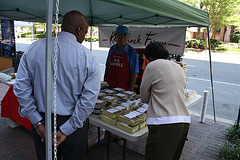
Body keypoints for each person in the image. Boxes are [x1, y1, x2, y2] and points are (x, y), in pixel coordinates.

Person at [14, 10, 101, 160]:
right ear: (79, 30)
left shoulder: (35, 48)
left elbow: (21, 88)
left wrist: (37, 122)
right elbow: (88, 101)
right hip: (73, 123)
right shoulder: (88, 58)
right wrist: (68, 129)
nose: (84, 38)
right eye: (85, 33)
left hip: (43, 119)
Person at [140, 42, 190, 160]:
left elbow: (144, 98)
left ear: (150, 57)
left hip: (163, 123)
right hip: (184, 122)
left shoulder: (152, 66)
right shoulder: (178, 67)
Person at [104, 25, 139, 91]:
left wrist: (131, 89)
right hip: (110, 87)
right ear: (116, 37)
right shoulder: (112, 49)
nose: (122, 38)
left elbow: (134, 73)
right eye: (120, 36)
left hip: (124, 88)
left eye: (124, 36)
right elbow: (107, 67)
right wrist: (105, 82)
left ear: (128, 37)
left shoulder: (132, 52)